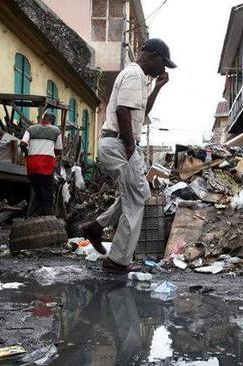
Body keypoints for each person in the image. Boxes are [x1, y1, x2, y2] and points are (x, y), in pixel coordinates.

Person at [79, 38, 176, 273]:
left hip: (119, 143)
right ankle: (117, 261)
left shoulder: (141, 79)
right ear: (153, 56)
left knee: (140, 192)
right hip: (120, 144)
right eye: (163, 63)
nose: (163, 69)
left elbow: (141, 114)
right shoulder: (133, 75)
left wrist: (158, 88)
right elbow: (122, 111)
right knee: (135, 200)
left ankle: (96, 226)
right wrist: (131, 148)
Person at [20, 112, 63, 216]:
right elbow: (58, 150)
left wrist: (28, 153)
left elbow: (22, 144)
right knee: (47, 196)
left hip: (32, 166)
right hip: (46, 166)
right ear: (52, 121)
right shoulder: (56, 131)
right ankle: (46, 221)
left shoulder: (31, 129)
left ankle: (33, 217)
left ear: (43, 119)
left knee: (38, 194)